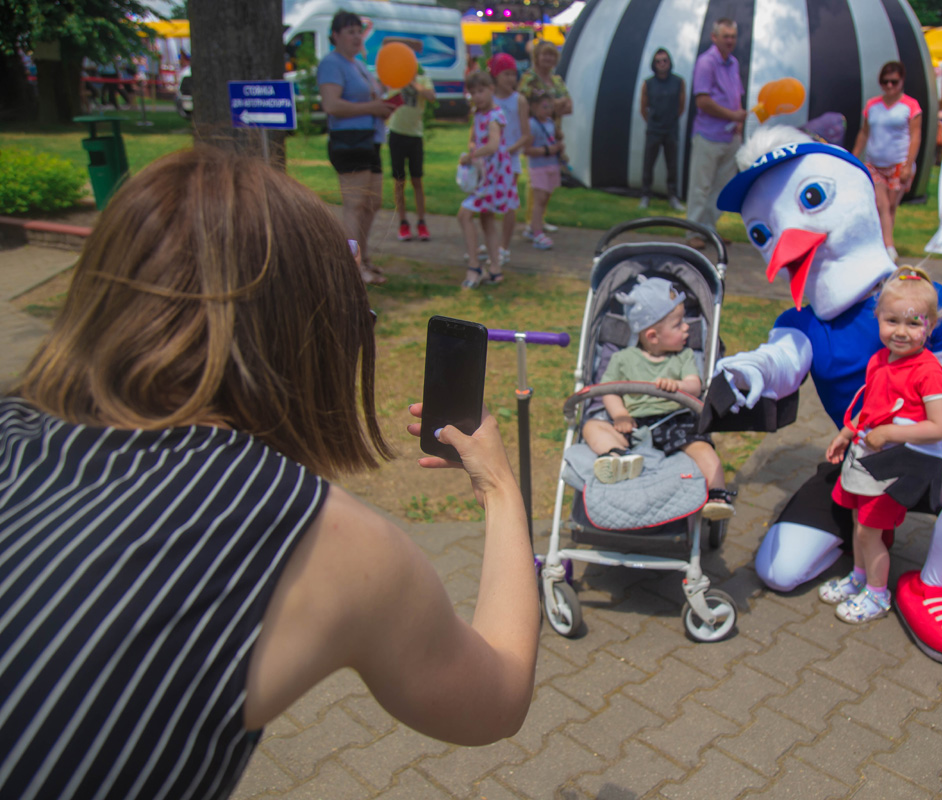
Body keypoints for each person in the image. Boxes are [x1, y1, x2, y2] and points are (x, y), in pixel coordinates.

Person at [0, 147, 540, 800]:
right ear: (310, 338)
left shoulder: (14, 424)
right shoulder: (321, 539)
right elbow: (498, 696)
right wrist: (499, 487)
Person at [712, 125, 942, 667]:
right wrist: (747, 369)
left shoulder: (924, 302)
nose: (786, 238)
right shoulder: (803, 322)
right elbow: (780, 360)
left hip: (928, 456)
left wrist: (922, 449)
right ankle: (868, 543)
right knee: (779, 572)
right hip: (859, 458)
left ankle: (933, 583)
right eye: (764, 231)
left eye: (811, 199)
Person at [820, 266, 942, 624]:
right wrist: (848, 432)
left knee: (869, 530)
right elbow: (871, 406)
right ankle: (860, 577)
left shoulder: (928, 370)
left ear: (931, 327)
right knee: (858, 520)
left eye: (913, 323)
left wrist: (891, 433)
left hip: (894, 466)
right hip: (865, 456)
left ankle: (878, 595)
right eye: (892, 320)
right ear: (877, 318)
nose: (901, 332)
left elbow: (940, 426)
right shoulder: (879, 360)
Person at [582, 276, 735, 520]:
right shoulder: (624, 359)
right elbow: (608, 389)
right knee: (592, 426)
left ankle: (718, 493)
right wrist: (620, 414)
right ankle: (616, 456)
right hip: (633, 422)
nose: (687, 327)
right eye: (678, 324)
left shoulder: (682, 357)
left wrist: (679, 385)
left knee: (703, 448)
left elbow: (696, 385)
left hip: (675, 419)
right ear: (653, 336)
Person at [317, 10, 395, 285]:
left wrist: (382, 107)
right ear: (335, 35)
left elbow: (374, 95)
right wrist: (372, 107)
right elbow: (332, 105)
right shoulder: (331, 63)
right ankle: (350, 265)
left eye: (358, 30)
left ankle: (364, 256)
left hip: (370, 139)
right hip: (349, 140)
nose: (355, 36)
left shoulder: (358, 64)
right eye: (349, 31)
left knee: (372, 203)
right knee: (354, 204)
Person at [851, 61, 922, 263]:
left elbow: (915, 136)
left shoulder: (910, 106)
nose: (889, 86)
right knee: (881, 205)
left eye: (894, 82)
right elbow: (864, 133)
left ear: (901, 82)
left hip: (898, 163)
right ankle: (888, 247)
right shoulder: (873, 105)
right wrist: (853, 157)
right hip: (874, 164)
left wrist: (908, 165)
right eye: (885, 82)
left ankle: (883, 243)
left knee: (891, 206)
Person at [686, 18, 746, 250]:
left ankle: (709, 229)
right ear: (715, 37)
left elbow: (735, 94)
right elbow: (702, 101)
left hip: (730, 136)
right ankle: (693, 231)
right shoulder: (706, 63)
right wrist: (732, 116)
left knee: (721, 187)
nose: (730, 41)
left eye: (732, 36)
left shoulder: (733, 63)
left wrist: (738, 119)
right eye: (726, 36)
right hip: (708, 134)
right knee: (700, 187)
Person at [458, 71, 518, 289]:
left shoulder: (494, 115)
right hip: (486, 175)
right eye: (473, 92)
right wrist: (473, 147)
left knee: (464, 215)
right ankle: (495, 269)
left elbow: (493, 145)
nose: (477, 96)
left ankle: (474, 265)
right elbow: (474, 138)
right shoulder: (479, 114)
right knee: (487, 220)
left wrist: (471, 156)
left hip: (494, 177)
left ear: (491, 89)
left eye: (481, 91)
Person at [518, 41, 572, 236]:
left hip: (553, 131)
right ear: (537, 57)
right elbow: (522, 104)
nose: (548, 59)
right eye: (544, 55)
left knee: (549, 178)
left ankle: (540, 218)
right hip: (534, 130)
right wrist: (556, 104)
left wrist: (549, 105)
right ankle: (530, 221)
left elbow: (569, 106)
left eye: (551, 55)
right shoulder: (529, 78)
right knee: (536, 179)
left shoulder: (556, 80)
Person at [386, 63, 437, 242]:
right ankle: (403, 223)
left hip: (415, 136)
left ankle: (421, 222)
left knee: (417, 180)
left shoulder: (423, 81)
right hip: (397, 134)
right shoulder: (395, 82)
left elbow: (431, 96)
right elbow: (386, 97)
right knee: (399, 181)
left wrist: (414, 83)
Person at [488, 53, 531, 268]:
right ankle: (491, 242)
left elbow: (525, 134)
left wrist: (508, 150)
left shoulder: (519, 100)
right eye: (506, 74)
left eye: (513, 74)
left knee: (508, 202)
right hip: (490, 159)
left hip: (510, 159)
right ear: (496, 75)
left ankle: (504, 246)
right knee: (488, 200)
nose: (510, 79)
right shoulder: (489, 99)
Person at [639, 48, 686, 212]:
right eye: (658, 61)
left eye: (665, 60)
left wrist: (671, 119)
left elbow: (681, 106)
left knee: (672, 164)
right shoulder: (648, 83)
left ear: (669, 62)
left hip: (671, 129)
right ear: (654, 64)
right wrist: (652, 122)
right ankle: (645, 195)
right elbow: (643, 107)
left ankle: (673, 196)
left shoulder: (678, 82)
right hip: (654, 129)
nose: (662, 64)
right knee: (648, 163)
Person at [525, 91, 564, 250]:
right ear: (534, 107)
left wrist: (559, 149)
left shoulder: (550, 123)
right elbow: (527, 149)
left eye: (550, 107)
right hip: (538, 166)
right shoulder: (532, 125)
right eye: (544, 107)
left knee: (546, 197)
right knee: (539, 199)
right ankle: (537, 233)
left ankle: (535, 226)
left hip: (551, 165)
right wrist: (548, 150)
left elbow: (557, 137)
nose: (548, 110)